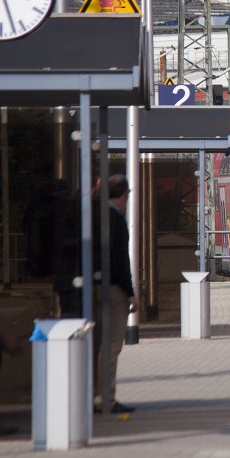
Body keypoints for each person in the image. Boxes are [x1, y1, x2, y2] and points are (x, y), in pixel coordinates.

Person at [92, 174, 136, 415]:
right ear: (124, 194)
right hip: (113, 288)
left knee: (95, 344)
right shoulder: (116, 218)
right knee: (111, 345)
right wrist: (130, 293)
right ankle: (106, 398)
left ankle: (92, 396)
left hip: (92, 285)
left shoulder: (93, 213)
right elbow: (120, 258)